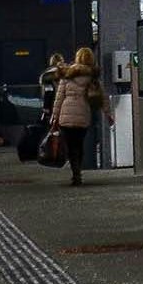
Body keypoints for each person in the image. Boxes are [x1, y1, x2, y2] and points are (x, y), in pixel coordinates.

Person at [48, 46, 104, 184]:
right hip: (83, 114)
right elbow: (101, 97)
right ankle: (78, 171)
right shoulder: (92, 77)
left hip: (66, 116)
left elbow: (59, 98)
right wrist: (108, 114)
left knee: (70, 145)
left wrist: (54, 116)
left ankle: (75, 173)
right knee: (79, 144)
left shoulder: (67, 75)